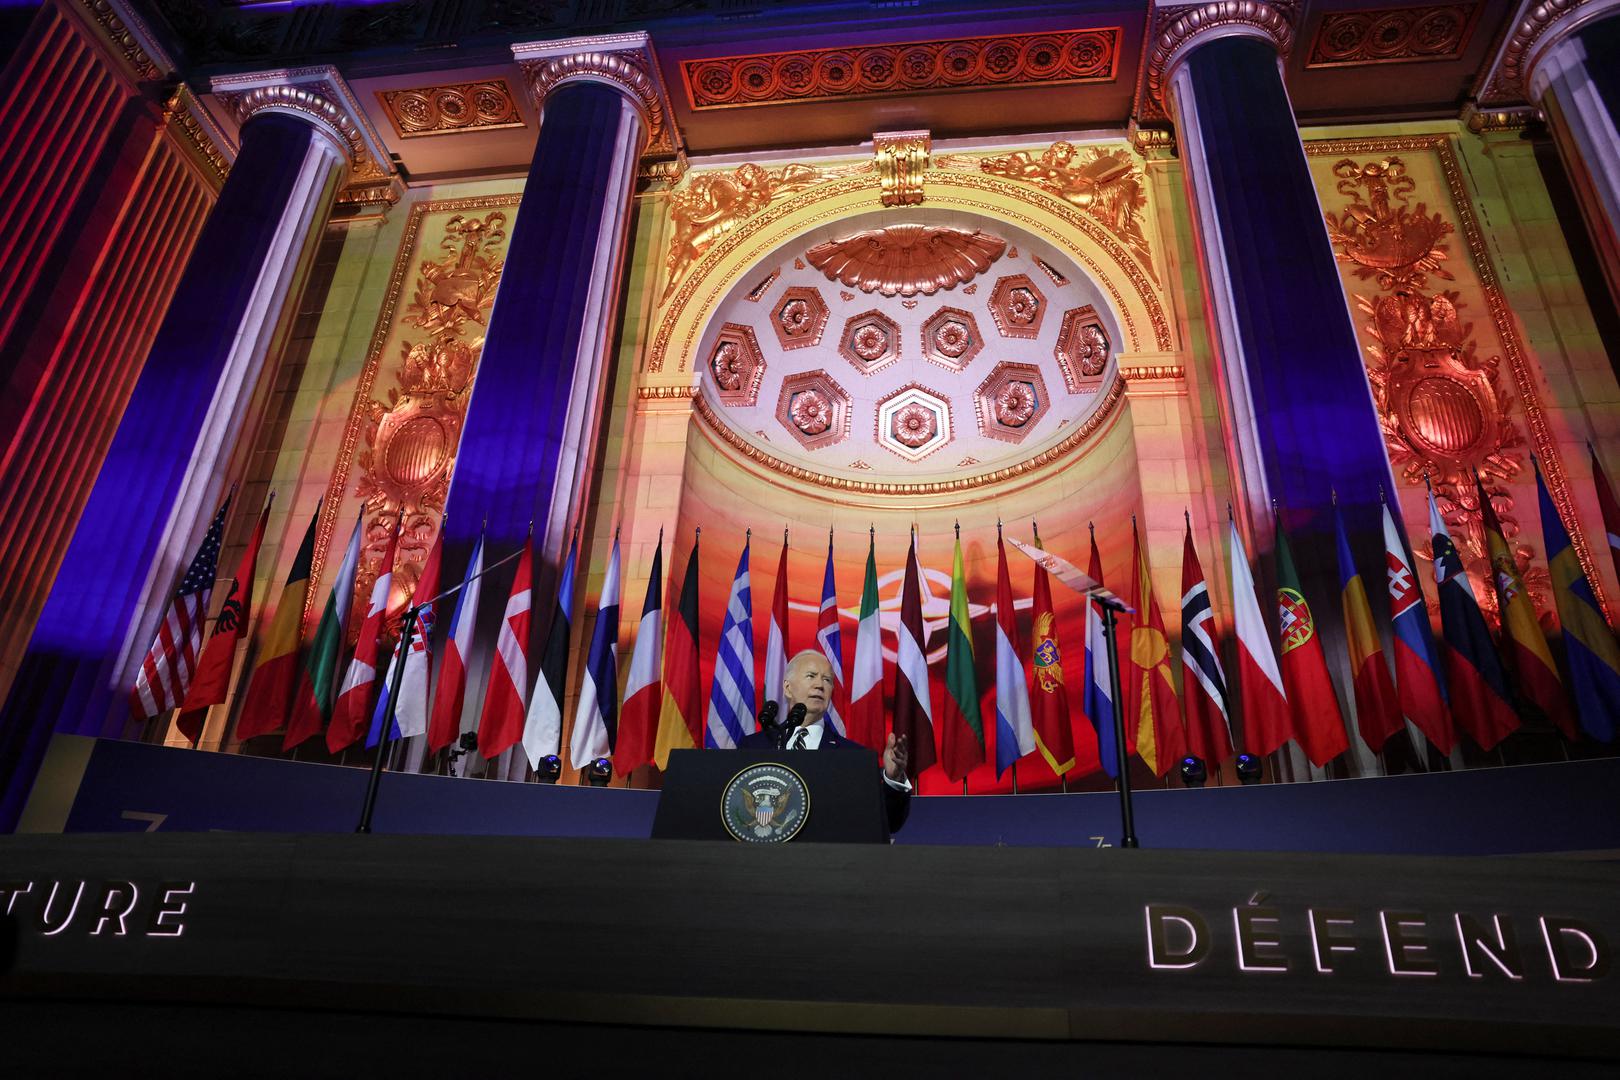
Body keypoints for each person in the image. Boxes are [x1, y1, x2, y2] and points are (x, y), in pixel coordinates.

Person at [739, 649, 911, 833]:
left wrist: (893, 779)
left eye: (827, 680)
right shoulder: (754, 746)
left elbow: (888, 823)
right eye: (811, 676)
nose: (820, 685)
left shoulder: (853, 757)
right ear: (788, 688)